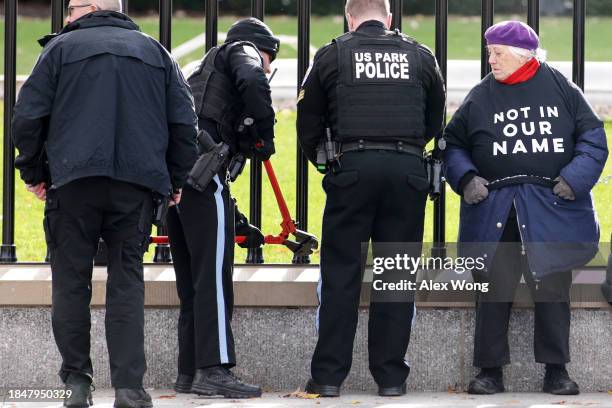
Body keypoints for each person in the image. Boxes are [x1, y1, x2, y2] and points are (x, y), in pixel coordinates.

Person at [12, 0, 198, 406]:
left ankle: (77, 382)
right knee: (127, 281)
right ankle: (130, 387)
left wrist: (33, 172)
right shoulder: (155, 52)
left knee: (70, 280)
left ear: (91, 7)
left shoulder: (59, 50)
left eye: (71, 7)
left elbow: (27, 117)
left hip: (74, 181)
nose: (65, 15)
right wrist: (176, 179)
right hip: (135, 185)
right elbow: (184, 122)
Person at [443, 21, 608, 395]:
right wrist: (467, 178)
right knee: (493, 284)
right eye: (489, 52)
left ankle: (556, 370)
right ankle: (489, 371)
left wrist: (574, 178)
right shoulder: (480, 95)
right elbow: (453, 144)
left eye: (498, 53)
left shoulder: (562, 88)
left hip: (550, 205)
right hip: (496, 205)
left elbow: (593, 138)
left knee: (552, 284)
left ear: (523, 55)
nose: (491, 60)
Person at [297, 0, 445, 397]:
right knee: (397, 276)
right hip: (408, 172)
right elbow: (435, 119)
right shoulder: (420, 55)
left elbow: (307, 121)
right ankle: (391, 378)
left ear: (350, 17)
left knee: (341, 274)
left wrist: (327, 163)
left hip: (353, 170)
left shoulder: (332, 55)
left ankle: (328, 377)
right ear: (389, 18)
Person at [165, 17, 279, 399]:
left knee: (194, 279)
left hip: (178, 178)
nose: (268, 69)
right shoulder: (240, 50)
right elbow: (252, 77)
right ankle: (214, 370)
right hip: (203, 174)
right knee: (214, 275)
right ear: (261, 50)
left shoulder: (202, 68)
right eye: (270, 61)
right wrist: (264, 133)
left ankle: (189, 371)